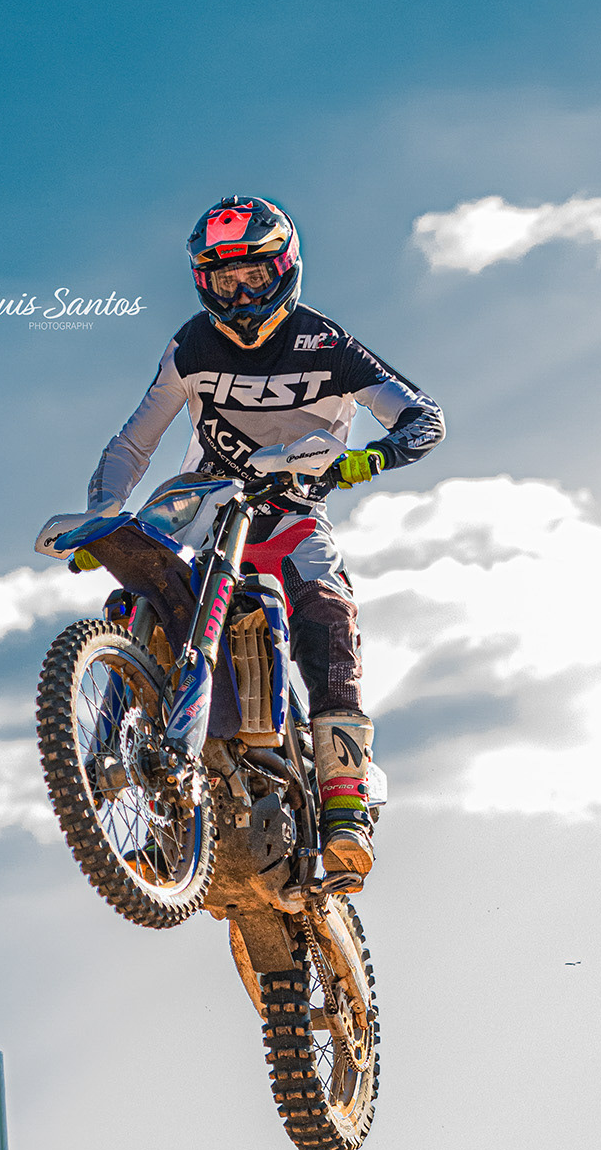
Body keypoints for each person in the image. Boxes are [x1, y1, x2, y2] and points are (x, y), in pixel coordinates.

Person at [82, 195, 444, 886]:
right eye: (224, 281)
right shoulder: (191, 346)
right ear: (202, 283)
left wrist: (372, 457)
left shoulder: (326, 344)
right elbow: (134, 441)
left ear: (285, 270)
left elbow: (422, 416)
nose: (242, 296)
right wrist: (102, 515)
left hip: (292, 518)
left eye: (254, 276)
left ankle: (344, 805)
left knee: (329, 617)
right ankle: (139, 787)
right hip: (204, 513)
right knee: (136, 601)